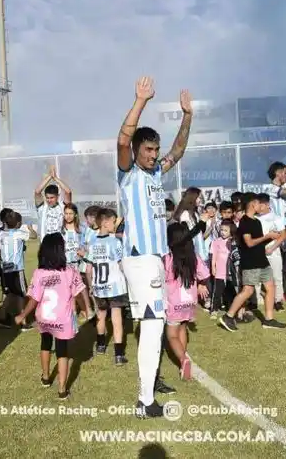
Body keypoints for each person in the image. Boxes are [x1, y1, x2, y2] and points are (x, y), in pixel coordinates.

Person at [116, 76, 192, 418]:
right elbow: (122, 138)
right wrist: (140, 101)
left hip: (154, 260)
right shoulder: (127, 173)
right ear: (136, 151)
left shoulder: (156, 174)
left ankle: (148, 390)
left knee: (154, 326)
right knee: (152, 327)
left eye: (154, 149)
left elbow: (178, 151)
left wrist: (187, 116)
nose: (153, 155)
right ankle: (145, 401)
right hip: (141, 259)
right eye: (147, 150)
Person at [16, 234, 90, 400]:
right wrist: (86, 309)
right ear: (61, 251)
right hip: (62, 319)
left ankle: (45, 377)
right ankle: (62, 389)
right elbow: (79, 294)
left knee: (45, 344)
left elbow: (34, 299)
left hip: (44, 318)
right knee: (62, 351)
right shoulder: (70, 271)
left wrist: (23, 314)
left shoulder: (38, 273)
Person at [218, 193, 286, 332]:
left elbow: (257, 241)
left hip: (262, 260)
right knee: (248, 290)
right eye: (258, 203)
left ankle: (268, 319)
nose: (260, 206)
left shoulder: (256, 221)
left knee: (270, 287)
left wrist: (270, 238)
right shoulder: (245, 222)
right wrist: (267, 236)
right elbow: (249, 243)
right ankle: (228, 316)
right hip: (250, 262)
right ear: (252, 204)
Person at [163, 223, 210, 380]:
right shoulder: (194, 257)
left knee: (171, 335)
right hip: (189, 302)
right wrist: (202, 285)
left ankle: (183, 359)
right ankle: (184, 361)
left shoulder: (168, 259)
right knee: (182, 328)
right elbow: (205, 274)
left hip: (173, 303)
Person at [84, 208, 129, 365]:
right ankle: (118, 355)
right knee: (116, 319)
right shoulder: (115, 242)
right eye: (113, 221)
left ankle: (101, 345)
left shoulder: (92, 243)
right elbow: (121, 264)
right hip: (115, 286)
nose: (114, 224)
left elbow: (88, 269)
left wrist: (90, 286)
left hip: (98, 286)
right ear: (104, 222)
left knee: (101, 316)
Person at [0, 210, 36, 327]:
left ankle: (3, 317)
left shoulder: (2, 234)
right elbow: (34, 236)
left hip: (6, 270)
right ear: (18, 223)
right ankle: (23, 322)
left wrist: (3, 259)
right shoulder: (19, 233)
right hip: (17, 270)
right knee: (22, 295)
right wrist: (30, 228)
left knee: (10, 294)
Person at [256, 193, 286, 311]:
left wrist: (272, 248)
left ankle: (277, 300)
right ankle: (256, 299)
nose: (258, 207)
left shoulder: (277, 217)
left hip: (273, 251)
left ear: (267, 204)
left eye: (260, 205)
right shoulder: (255, 218)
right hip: (258, 252)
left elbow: (282, 235)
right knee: (258, 277)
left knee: (276, 277)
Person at [34, 165, 72, 241]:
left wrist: (55, 178)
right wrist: (49, 177)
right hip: (46, 245)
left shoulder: (63, 207)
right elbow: (37, 192)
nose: (49, 200)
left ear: (57, 196)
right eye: (47, 198)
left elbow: (68, 192)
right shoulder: (42, 208)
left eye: (52, 198)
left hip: (59, 245)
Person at [209, 220, 233, 318]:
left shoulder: (232, 242)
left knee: (229, 291)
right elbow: (214, 256)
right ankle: (214, 309)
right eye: (221, 230)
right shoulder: (216, 242)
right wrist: (213, 267)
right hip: (219, 271)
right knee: (217, 291)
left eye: (225, 230)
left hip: (230, 272)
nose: (223, 232)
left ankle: (229, 308)